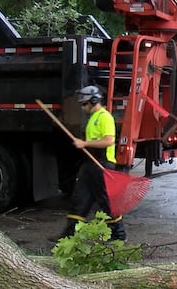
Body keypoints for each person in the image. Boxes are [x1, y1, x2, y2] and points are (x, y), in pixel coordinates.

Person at [57, 85, 127, 241]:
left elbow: (109, 141)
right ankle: (69, 235)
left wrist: (85, 144)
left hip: (102, 164)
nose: (82, 107)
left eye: (84, 104)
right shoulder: (92, 118)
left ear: (94, 101)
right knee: (79, 198)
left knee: (105, 200)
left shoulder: (105, 117)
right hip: (90, 164)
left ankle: (118, 234)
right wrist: (84, 143)